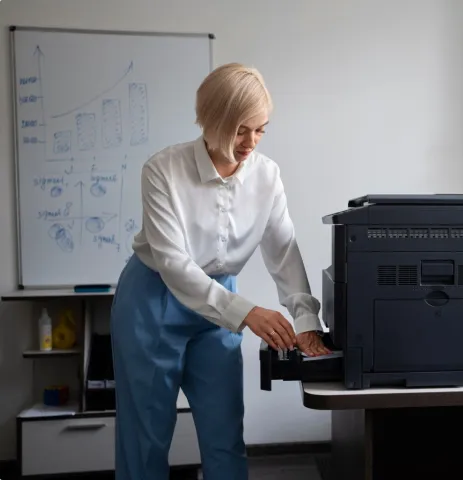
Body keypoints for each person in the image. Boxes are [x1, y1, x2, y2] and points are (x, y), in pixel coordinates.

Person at [109, 62, 331, 480]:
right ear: (211, 120)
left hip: (219, 308)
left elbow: (283, 251)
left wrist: (305, 320)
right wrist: (248, 313)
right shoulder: (162, 171)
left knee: (225, 435)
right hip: (152, 300)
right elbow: (174, 264)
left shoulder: (267, 176)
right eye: (240, 129)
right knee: (146, 441)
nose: (250, 142)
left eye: (261, 129)